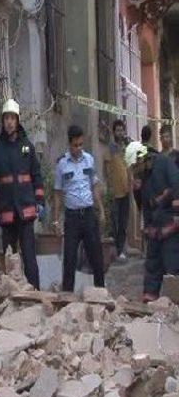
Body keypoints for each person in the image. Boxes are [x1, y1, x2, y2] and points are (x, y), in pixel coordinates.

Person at [0, 99, 44, 290]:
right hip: (7, 213)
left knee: (29, 256)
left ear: (17, 120)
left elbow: (36, 175)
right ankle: (11, 296)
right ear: (2, 121)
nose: (9, 122)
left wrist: (40, 201)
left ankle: (34, 293)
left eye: (12, 118)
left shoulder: (27, 147)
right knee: (9, 257)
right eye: (6, 118)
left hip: (26, 211)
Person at [52, 125, 106, 292]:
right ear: (69, 144)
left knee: (96, 257)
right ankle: (67, 297)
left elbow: (94, 185)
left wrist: (101, 210)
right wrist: (55, 220)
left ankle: (100, 293)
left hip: (88, 214)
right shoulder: (62, 164)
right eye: (76, 145)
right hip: (72, 218)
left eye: (81, 145)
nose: (79, 149)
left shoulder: (89, 159)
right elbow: (58, 193)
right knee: (69, 259)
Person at [125, 141, 179, 302]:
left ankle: (174, 306)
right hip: (155, 228)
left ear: (141, 159)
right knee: (152, 266)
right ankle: (150, 304)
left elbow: (177, 186)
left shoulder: (164, 163)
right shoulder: (143, 178)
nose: (134, 171)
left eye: (135, 166)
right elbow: (145, 204)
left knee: (172, 266)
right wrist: (147, 227)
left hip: (171, 226)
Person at [104, 119, 131, 261]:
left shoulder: (125, 148)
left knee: (123, 222)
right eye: (118, 130)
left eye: (122, 130)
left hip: (126, 191)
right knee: (115, 222)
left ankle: (121, 250)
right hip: (115, 192)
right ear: (114, 132)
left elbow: (128, 168)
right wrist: (109, 187)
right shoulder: (111, 148)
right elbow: (107, 169)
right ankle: (117, 249)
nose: (120, 133)